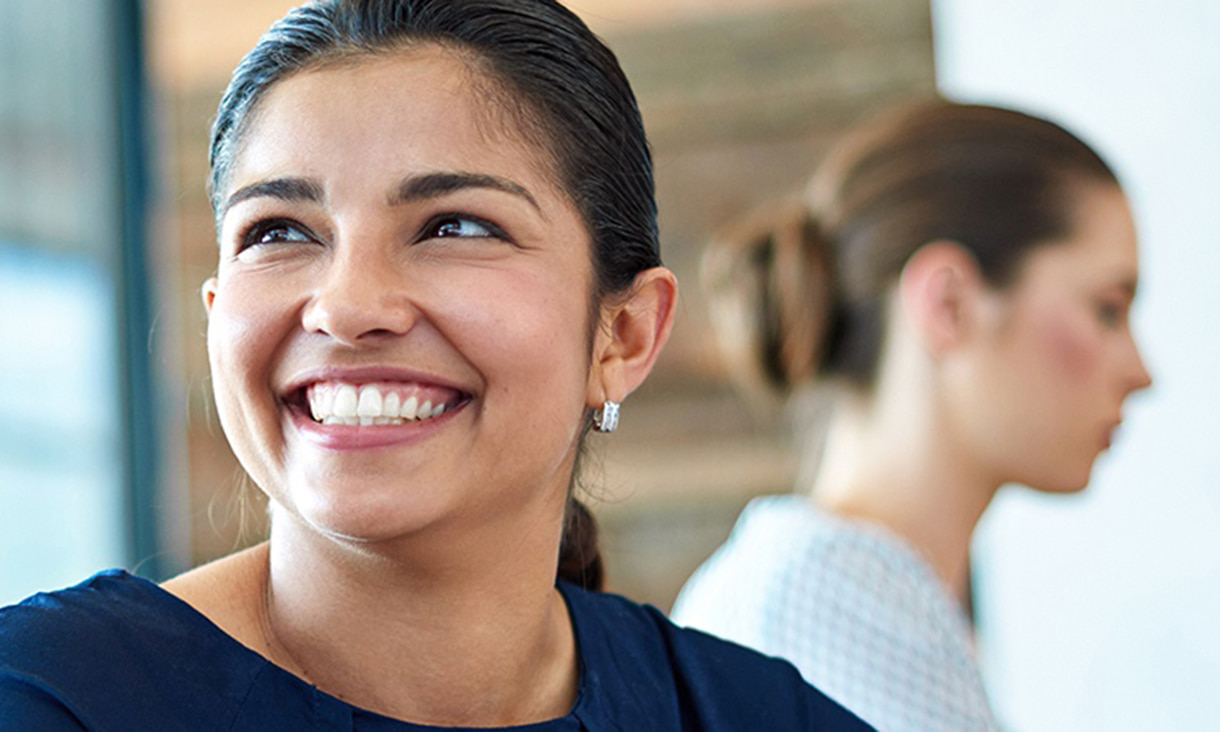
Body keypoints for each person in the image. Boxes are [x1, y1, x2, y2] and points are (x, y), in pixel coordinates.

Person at [0, 1, 872, 730]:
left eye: (455, 226)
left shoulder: (759, 716)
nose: (347, 307)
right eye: (279, 232)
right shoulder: (52, 699)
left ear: (624, 336)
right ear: (216, 311)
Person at [671, 99, 1152, 731]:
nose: (1141, 371)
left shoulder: (872, 605)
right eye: (1108, 309)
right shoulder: (821, 611)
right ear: (949, 302)